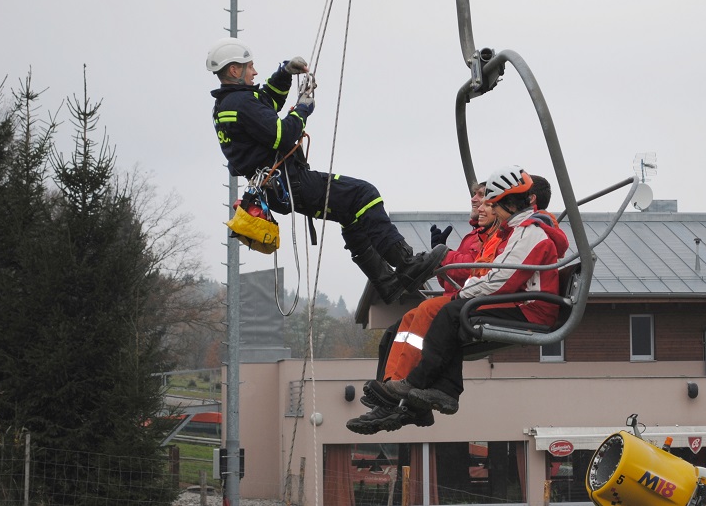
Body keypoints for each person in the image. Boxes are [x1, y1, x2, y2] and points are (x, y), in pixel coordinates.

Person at [207, 37, 446, 302]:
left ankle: (387, 282)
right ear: (234, 70)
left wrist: (284, 73)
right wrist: (302, 110)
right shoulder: (241, 104)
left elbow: (267, 102)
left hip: (278, 188)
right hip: (289, 182)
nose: (255, 72)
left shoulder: (229, 104)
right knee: (364, 194)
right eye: (250, 67)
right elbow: (282, 136)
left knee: (351, 213)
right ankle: (406, 264)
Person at [353, 166, 568, 432]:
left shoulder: (528, 233)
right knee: (416, 324)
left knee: (447, 313)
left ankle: (412, 386)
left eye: (492, 204)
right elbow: (495, 274)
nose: (486, 208)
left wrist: (461, 288)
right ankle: (414, 390)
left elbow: (500, 277)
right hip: (517, 300)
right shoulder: (515, 231)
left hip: (529, 307)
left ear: (508, 203)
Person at [347, 194, 505, 433]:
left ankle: (399, 392)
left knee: (426, 312)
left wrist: (443, 256)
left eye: (483, 198)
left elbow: (477, 267)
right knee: (397, 328)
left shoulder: (497, 235)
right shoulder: (476, 236)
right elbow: (454, 277)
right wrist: (443, 257)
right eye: (475, 197)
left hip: (475, 299)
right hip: (462, 295)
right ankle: (389, 387)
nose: (476, 202)